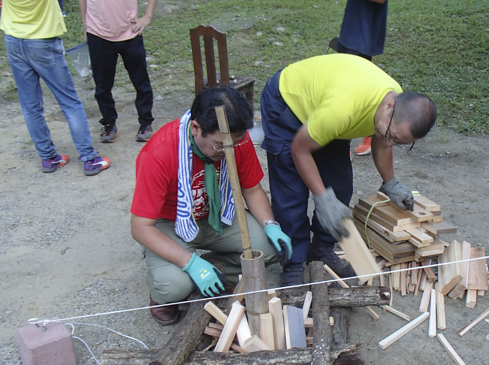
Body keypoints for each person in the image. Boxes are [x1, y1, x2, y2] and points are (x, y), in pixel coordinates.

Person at [261, 53, 437, 286]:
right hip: (288, 102)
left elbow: (383, 141)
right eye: (392, 136)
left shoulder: (393, 105)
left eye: (400, 142)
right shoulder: (342, 109)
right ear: (389, 106)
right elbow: (300, 150)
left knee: (340, 183)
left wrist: (390, 182)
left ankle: (321, 249)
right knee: (291, 191)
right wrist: (322, 198)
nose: (390, 142)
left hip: (327, 109)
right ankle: (293, 263)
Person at [131, 87, 292, 325]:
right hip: (172, 223)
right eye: (219, 145)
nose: (228, 151)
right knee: (174, 286)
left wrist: (271, 225)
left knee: (265, 250)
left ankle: (212, 268)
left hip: (219, 214)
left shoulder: (235, 140)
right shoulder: (159, 153)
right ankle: (166, 291)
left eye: (234, 144)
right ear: (196, 128)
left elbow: (252, 189)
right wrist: (190, 262)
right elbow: (141, 227)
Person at [1, 0, 111, 176]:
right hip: (42, 41)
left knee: (30, 105)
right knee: (69, 103)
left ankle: (48, 157)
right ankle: (89, 159)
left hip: (13, 40)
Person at [78, 0, 157, 143]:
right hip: (97, 33)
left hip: (130, 33)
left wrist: (148, 16)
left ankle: (146, 123)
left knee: (141, 82)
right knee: (102, 86)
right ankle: (108, 124)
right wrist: (85, 26)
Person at [337, 0, 388, 156]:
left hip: (362, 37)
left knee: (351, 91)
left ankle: (356, 140)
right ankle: (352, 140)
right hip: (353, 32)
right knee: (347, 89)